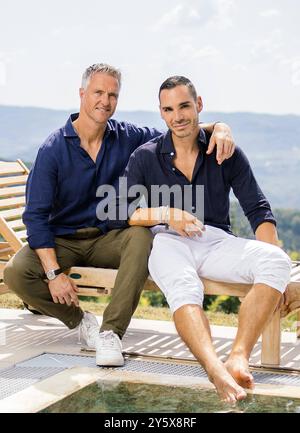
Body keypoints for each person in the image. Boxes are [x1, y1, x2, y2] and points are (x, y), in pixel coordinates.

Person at [3, 64, 236, 368]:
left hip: (109, 237)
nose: (105, 100)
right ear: (82, 94)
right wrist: (53, 274)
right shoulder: (53, 149)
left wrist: (219, 127)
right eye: (98, 92)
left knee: (141, 235)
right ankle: (81, 322)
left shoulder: (128, 137)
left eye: (113, 94)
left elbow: (178, 130)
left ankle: (111, 333)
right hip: (62, 240)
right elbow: (35, 217)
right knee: (15, 272)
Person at [109, 76, 292, 402]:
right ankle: (215, 370)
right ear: (162, 114)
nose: (177, 116)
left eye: (184, 106)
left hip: (217, 240)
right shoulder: (145, 157)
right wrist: (167, 213)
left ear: (199, 105)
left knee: (276, 260)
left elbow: (257, 209)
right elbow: (122, 212)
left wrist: (274, 281)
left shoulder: (224, 151)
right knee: (184, 287)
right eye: (169, 109)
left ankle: (238, 356)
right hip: (169, 241)